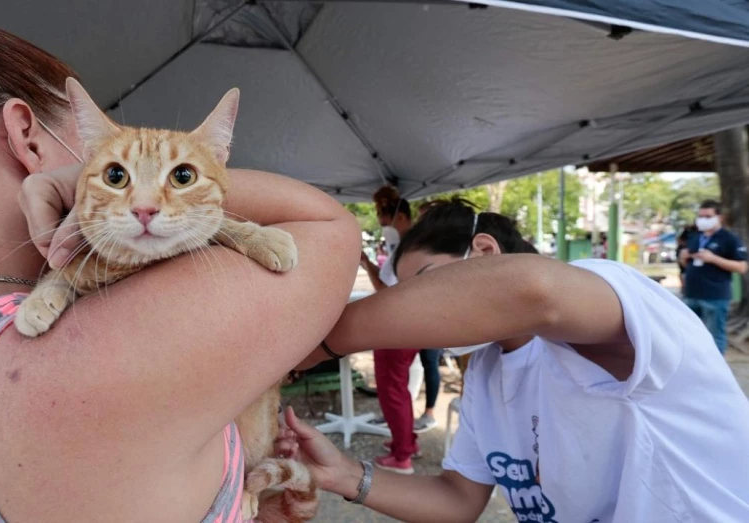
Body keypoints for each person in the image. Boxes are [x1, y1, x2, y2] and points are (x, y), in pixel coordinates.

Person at [0, 15, 360, 522]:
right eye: (108, 155)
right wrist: (190, 164)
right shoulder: (123, 336)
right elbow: (330, 224)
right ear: (27, 136)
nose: (126, 170)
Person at [283, 198, 749, 522]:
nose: (412, 312)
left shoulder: (610, 299)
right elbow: (458, 499)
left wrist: (318, 343)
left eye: (425, 285)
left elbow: (533, 290)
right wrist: (345, 475)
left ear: (484, 251)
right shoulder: (488, 371)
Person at [359, 189, 423, 473]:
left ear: (398, 215)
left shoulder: (406, 246)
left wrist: (365, 264)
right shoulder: (411, 243)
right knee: (399, 389)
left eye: (382, 215)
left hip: (397, 327)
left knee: (392, 391)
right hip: (407, 326)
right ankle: (406, 442)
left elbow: (386, 289)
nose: (380, 221)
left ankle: (402, 456)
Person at [680, 199, 748, 354]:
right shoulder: (696, 237)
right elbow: (689, 265)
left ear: (719, 218)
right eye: (701, 216)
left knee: (715, 334)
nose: (703, 220)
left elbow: (742, 266)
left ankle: (716, 371)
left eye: (708, 216)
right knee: (689, 334)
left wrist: (714, 259)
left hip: (715, 296)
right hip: (691, 294)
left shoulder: (729, 239)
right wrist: (683, 258)